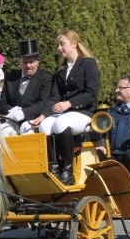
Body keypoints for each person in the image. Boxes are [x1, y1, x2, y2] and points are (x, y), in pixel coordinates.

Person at [38, 30, 101, 185]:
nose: (59, 48)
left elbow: (91, 94)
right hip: (66, 113)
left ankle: (68, 170)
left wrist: (69, 103)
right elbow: (54, 97)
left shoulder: (88, 64)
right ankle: (53, 167)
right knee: (45, 126)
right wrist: (43, 115)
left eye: (62, 44)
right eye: (58, 45)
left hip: (83, 112)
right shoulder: (60, 71)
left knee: (61, 123)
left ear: (74, 44)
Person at [0, 39, 55, 136]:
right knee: (3, 131)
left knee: (26, 129)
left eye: (31, 62)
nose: (28, 65)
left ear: (38, 62)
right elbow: (1, 103)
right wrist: (11, 111)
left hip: (34, 118)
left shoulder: (46, 78)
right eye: (25, 62)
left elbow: (43, 103)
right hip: (12, 120)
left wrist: (23, 113)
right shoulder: (10, 78)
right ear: (19, 62)